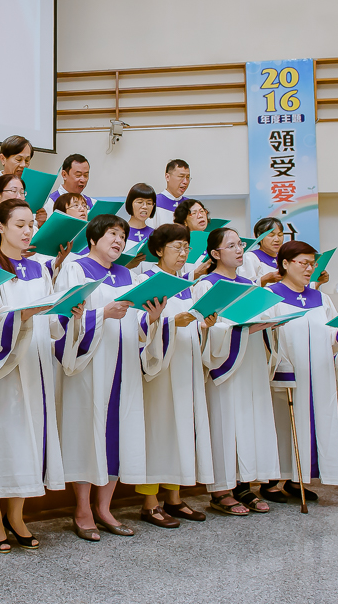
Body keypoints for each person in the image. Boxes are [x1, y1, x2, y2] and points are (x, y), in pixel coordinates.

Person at [51, 214, 166, 541]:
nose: (118, 241)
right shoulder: (76, 269)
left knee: (119, 435)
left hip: (124, 364)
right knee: (87, 434)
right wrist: (101, 313)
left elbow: (139, 326)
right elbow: (62, 317)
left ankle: (105, 508)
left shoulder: (128, 275)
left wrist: (152, 319)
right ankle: (83, 509)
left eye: (122, 236)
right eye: (112, 234)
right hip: (91, 365)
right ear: (93, 239)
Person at [0, 199, 66, 552]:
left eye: (30, 225)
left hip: (33, 364)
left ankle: (17, 515)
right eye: (19, 224)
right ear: (1, 227)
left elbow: (52, 323)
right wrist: (23, 316)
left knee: (28, 437)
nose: (26, 231)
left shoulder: (40, 268)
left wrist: (68, 309)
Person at [192, 227, 281, 517]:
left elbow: (264, 316)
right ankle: (221, 490)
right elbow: (204, 327)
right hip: (225, 364)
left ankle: (245, 485)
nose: (240, 250)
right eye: (231, 246)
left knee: (250, 421)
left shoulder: (251, 285)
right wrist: (240, 331)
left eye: (241, 244)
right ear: (215, 253)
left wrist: (270, 323)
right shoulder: (206, 285)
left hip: (252, 361)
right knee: (225, 423)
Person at [256, 241, 338, 505]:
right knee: (282, 424)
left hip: (319, 374)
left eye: (313, 264)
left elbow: (332, 333)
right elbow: (264, 333)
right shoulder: (270, 295)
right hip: (286, 371)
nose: (309, 268)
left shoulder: (322, 298)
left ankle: (297, 477)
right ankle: (272, 479)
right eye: (303, 263)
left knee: (316, 419)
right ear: (285, 264)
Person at [135, 224, 216, 527]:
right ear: (158, 250)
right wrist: (171, 324)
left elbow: (191, 322)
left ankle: (175, 497)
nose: (183, 254)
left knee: (182, 427)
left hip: (185, 363)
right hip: (158, 369)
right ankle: (149, 502)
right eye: (176, 247)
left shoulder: (187, 284)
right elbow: (139, 327)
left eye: (186, 247)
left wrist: (203, 326)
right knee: (158, 430)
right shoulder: (146, 281)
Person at [0, 135, 37, 219]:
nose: (24, 165)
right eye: (18, 159)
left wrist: (39, 222)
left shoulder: (29, 189)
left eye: (27, 160)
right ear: (3, 159)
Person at [123, 183, 156, 272]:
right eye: (140, 202)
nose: (144, 207)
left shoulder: (156, 235)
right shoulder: (120, 232)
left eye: (149, 203)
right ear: (130, 204)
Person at [174, 199, 210, 278]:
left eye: (202, 211)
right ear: (184, 221)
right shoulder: (179, 245)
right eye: (194, 213)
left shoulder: (214, 240)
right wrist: (196, 274)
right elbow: (176, 276)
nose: (200, 215)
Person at [241, 217, 283, 285]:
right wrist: (264, 280)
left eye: (280, 235)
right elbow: (245, 287)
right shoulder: (250, 257)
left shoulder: (284, 259)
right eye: (271, 235)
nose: (277, 239)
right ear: (259, 236)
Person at [152, 159, 191, 227]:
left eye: (187, 177)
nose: (185, 182)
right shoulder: (154, 202)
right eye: (181, 176)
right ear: (167, 177)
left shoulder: (189, 204)